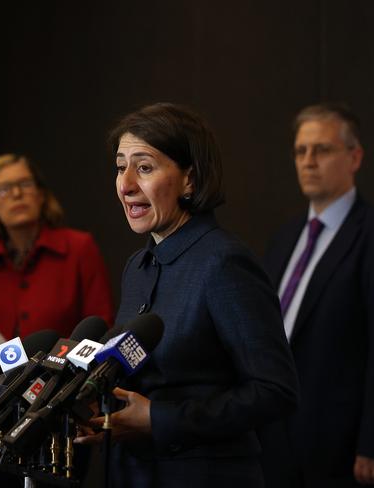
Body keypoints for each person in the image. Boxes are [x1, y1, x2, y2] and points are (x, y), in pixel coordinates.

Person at [76, 102, 299, 488]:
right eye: (120, 166)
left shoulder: (224, 263)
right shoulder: (138, 267)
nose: (126, 184)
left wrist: (160, 419)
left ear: (190, 180)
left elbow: (274, 391)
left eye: (144, 167)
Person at [260, 103, 374, 487]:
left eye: (322, 150)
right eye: (301, 151)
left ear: (355, 156)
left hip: (342, 449)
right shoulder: (284, 238)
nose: (308, 161)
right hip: (272, 439)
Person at [0, 153, 114, 424]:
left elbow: (100, 325)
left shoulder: (78, 248)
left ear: (40, 194)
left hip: (54, 406)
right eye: (3, 189)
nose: (16, 194)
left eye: (25, 185)